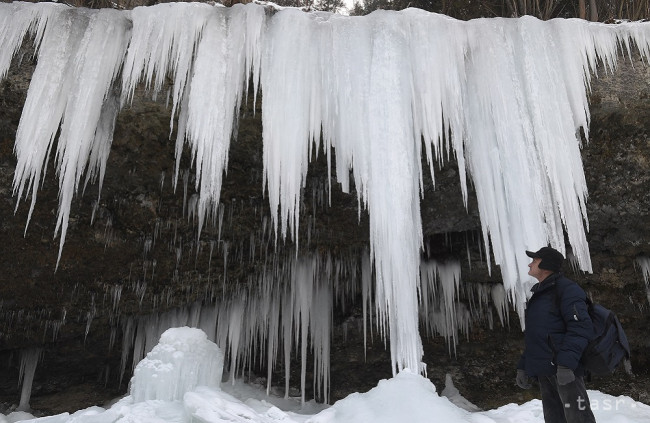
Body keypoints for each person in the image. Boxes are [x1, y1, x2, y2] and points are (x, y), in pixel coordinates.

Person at [516, 246, 596, 423]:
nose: (530, 264)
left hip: (566, 371)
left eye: (534, 261)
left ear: (546, 266)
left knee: (579, 417)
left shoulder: (568, 290)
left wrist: (566, 365)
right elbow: (536, 335)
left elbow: (581, 328)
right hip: (546, 371)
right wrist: (524, 366)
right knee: (554, 419)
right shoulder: (540, 293)